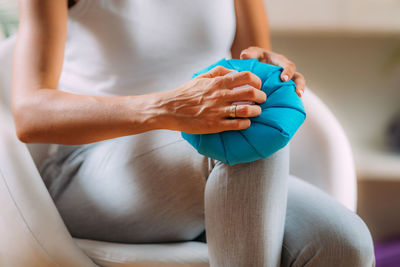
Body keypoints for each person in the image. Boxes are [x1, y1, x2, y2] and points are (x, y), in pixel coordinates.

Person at [12, 0, 375, 266]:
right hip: (92, 171)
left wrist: (271, 74)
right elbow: (31, 113)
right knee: (234, 133)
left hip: (207, 160)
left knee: (344, 245)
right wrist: (166, 108)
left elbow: (251, 59)